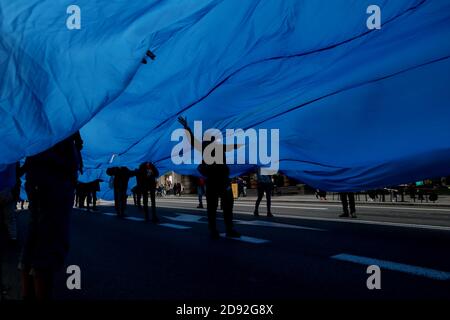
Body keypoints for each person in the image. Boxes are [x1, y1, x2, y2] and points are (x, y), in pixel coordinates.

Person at [19, 131, 83, 301]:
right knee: (52, 240)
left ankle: (27, 294)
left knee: (35, 236)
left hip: (38, 172)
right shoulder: (61, 111)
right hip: (56, 172)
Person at [178, 116, 240, 239]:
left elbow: (233, 146)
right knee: (215, 207)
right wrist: (186, 128)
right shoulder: (207, 147)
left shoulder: (218, 147)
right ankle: (217, 229)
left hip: (221, 181)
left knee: (225, 205)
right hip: (215, 181)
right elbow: (193, 141)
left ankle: (226, 229)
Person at [0, 163, 18, 245]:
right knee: (10, 216)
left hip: (4, 190)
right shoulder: (11, 160)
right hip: (7, 191)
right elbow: (12, 178)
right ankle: (13, 237)